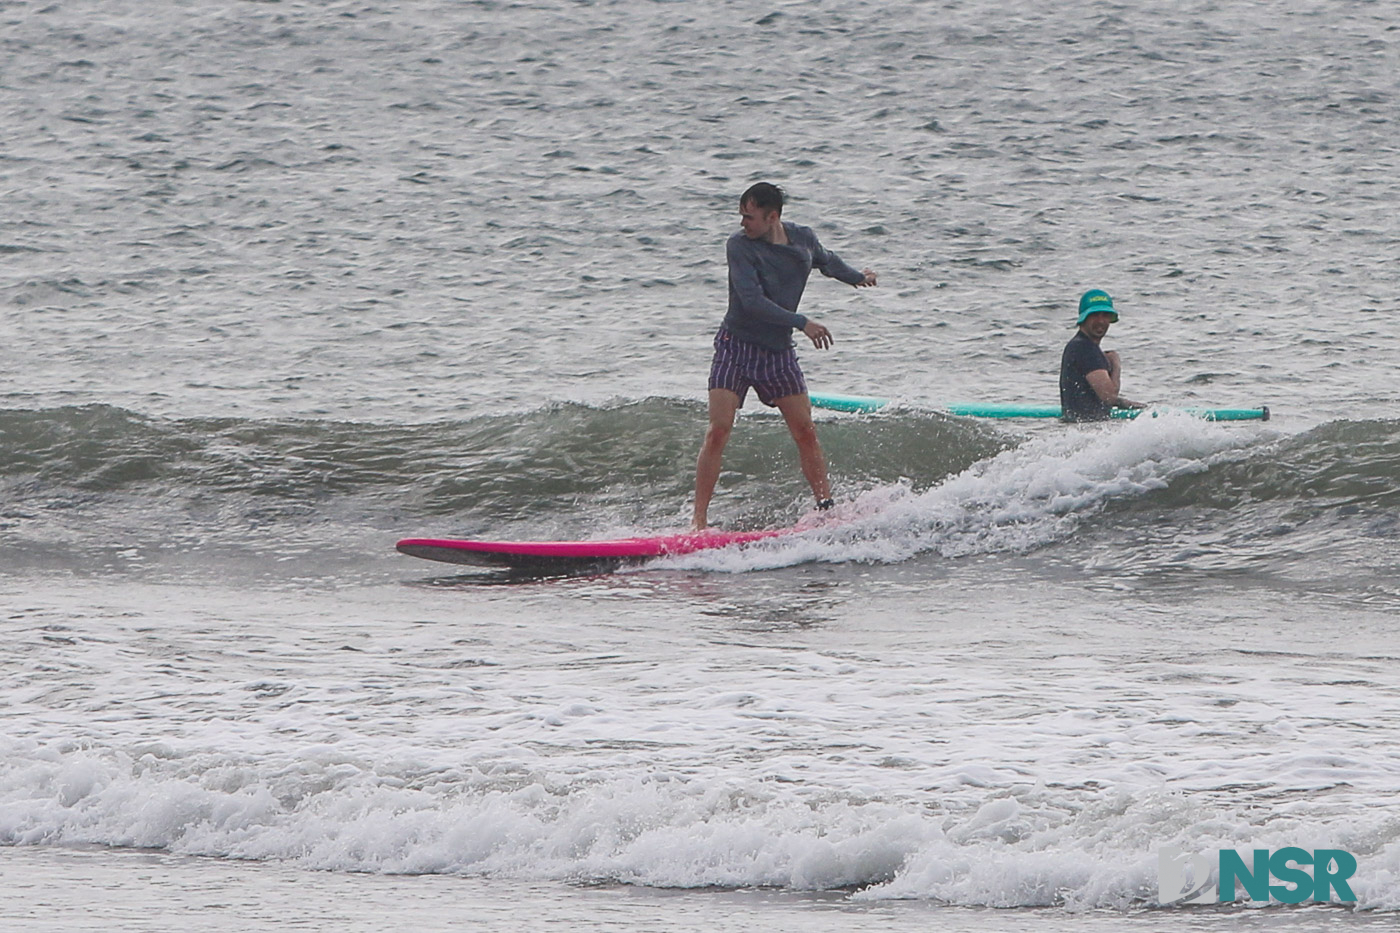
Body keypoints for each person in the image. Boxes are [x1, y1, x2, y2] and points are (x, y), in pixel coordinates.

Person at [692, 182, 877, 530]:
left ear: (772, 216)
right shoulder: (739, 247)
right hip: (736, 345)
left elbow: (826, 260)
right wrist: (801, 322)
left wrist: (857, 278)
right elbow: (752, 301)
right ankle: (698, 521)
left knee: (805, 430)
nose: (743, 223)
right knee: (718, 430)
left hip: (777, 353)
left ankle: (825, 510)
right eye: (742, 216)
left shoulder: (802, 239)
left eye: (749, 217)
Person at [1059, 288, 1147, 421]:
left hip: (1076, 427)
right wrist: (1116, 364)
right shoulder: (1085, 348)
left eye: (1105, 315)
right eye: (1094, 315)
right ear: (1084, 319)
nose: (1100, 321)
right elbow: (1109, 396)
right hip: (1087, 431)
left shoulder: (1078, 346)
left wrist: (1123, 403)